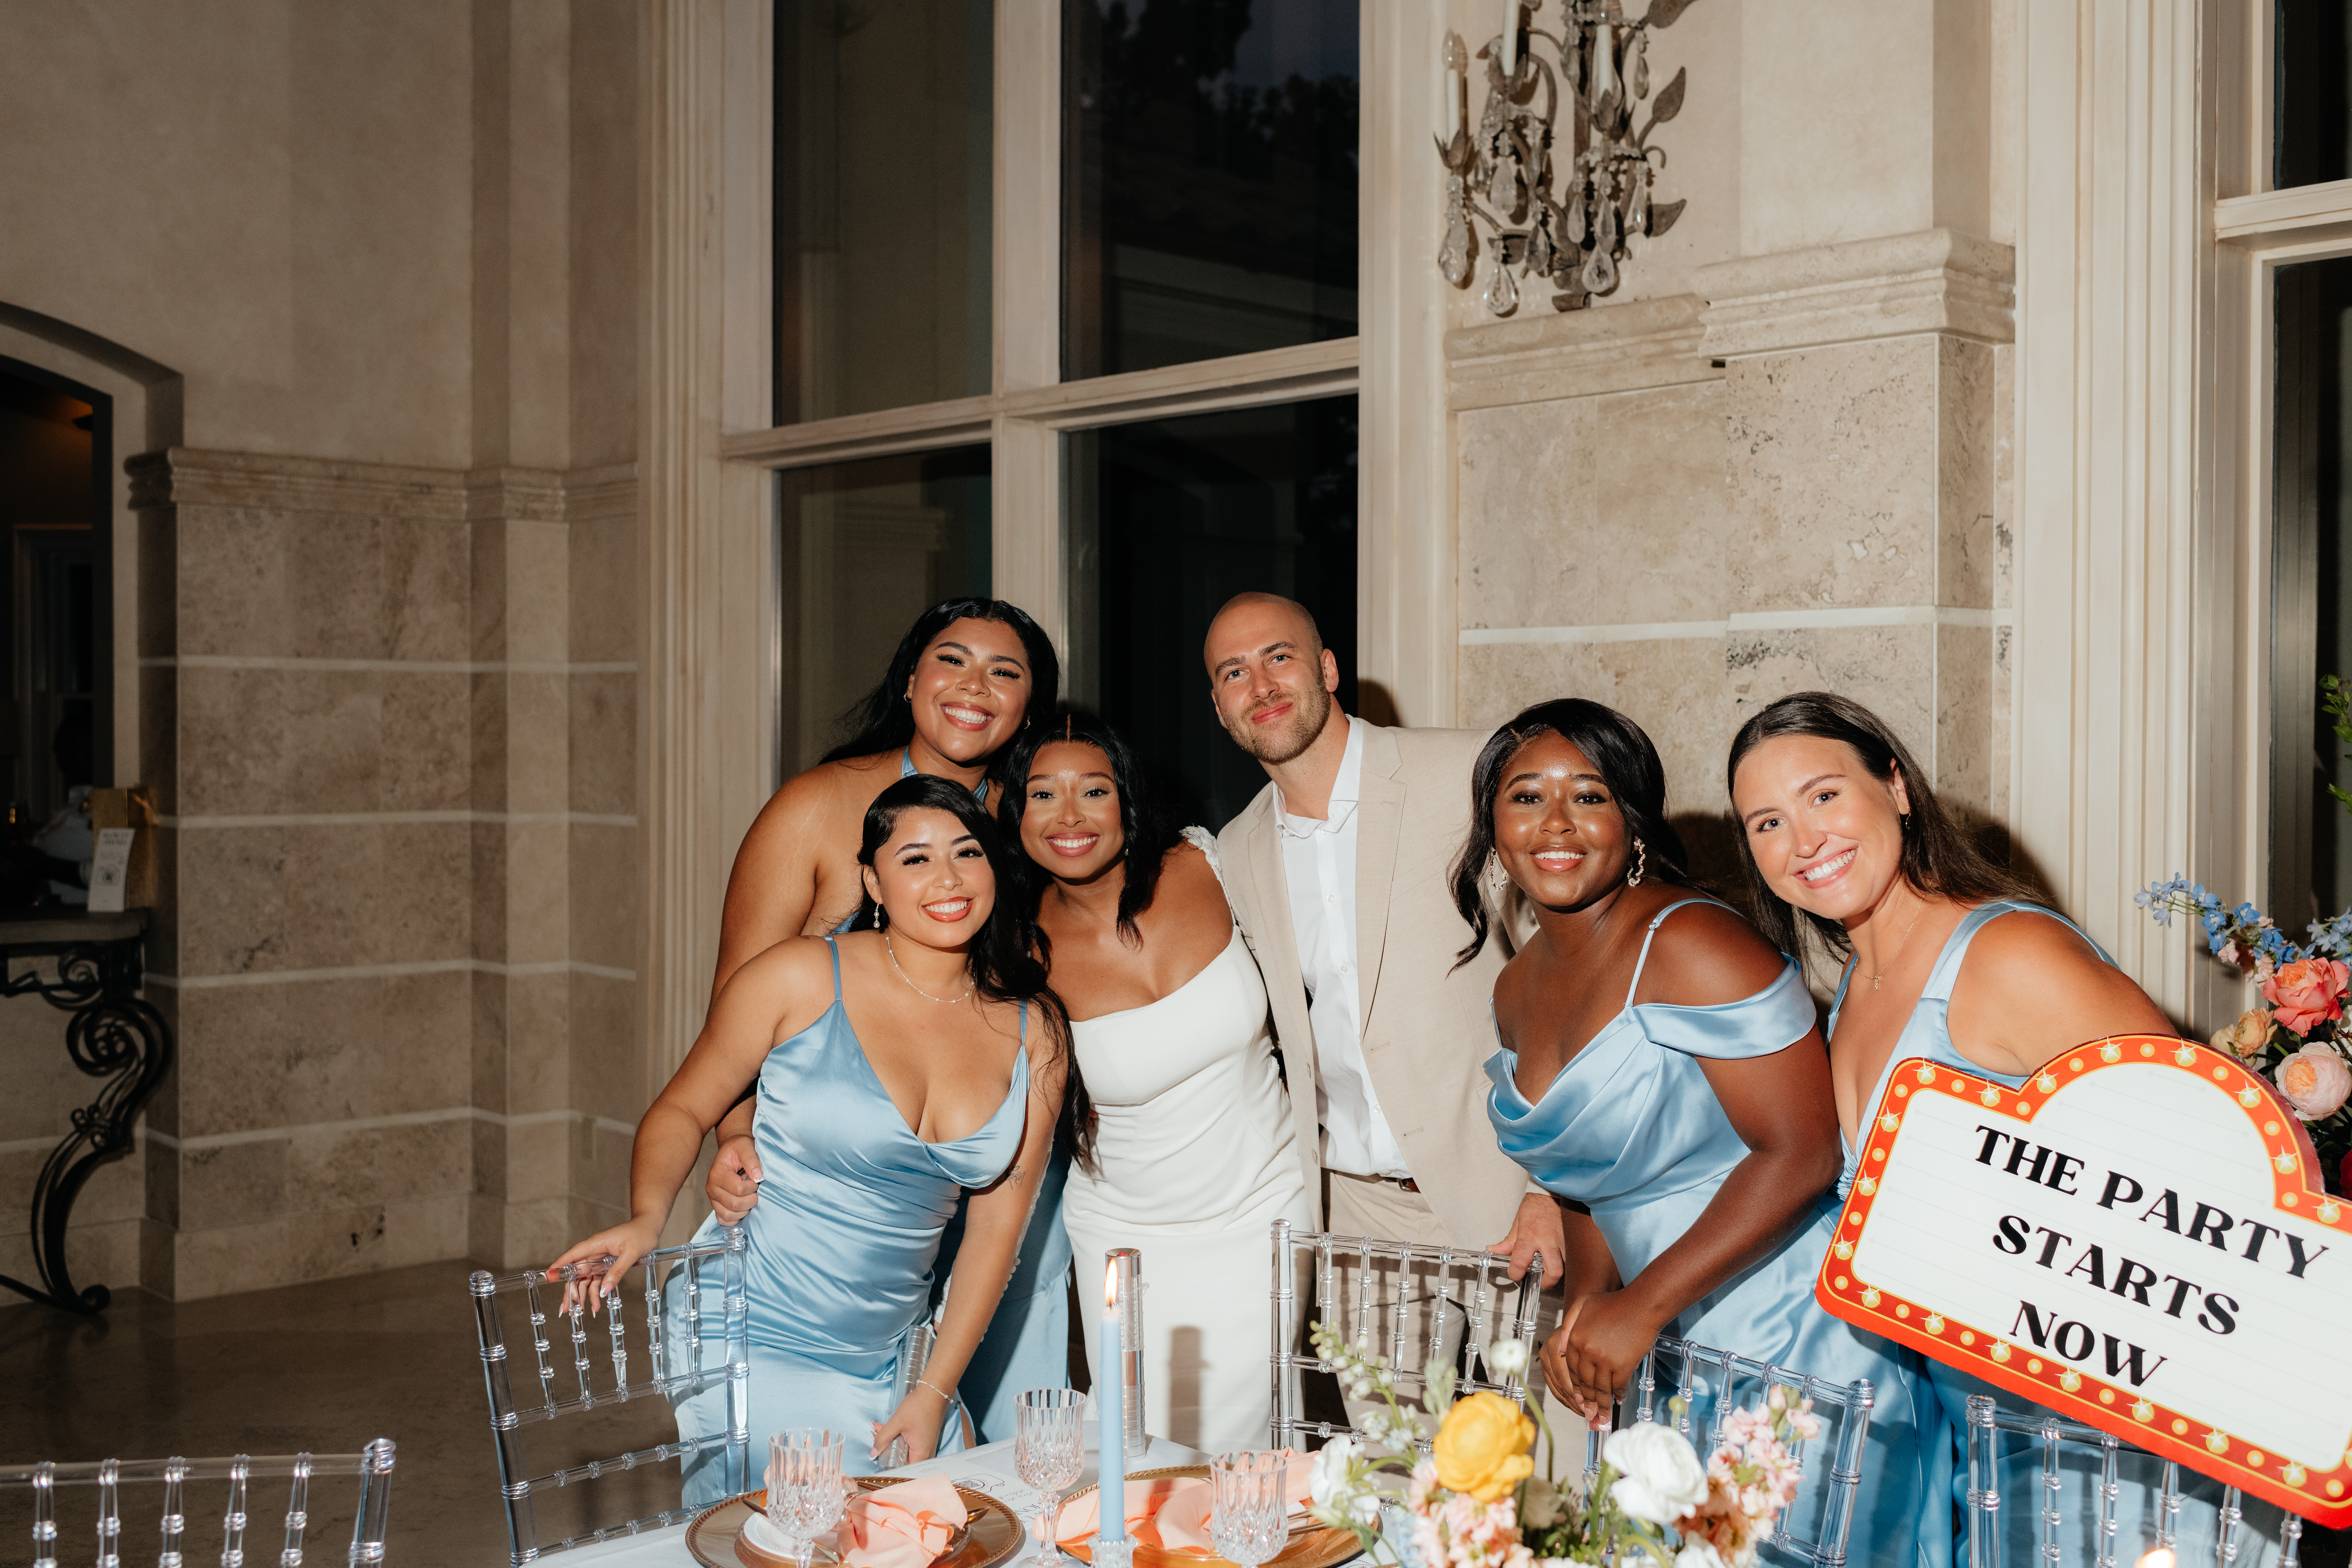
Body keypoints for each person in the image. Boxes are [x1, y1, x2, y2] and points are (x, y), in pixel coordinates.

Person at [1727, 691, 2219, 1567]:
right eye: (1767, 822)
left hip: (2105, 1444)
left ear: (1898, 789)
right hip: (1977, 1433)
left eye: (1824, 796)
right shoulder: (1849, 999)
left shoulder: (2008, 956)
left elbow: (2214, 1156)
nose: (1803, 842)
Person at [1465, 698, 1940, 1568]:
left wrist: (1639, 1306)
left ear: (1633, 821)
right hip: (1664, 1351)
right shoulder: (1516, 988)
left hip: (1794, 1339)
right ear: (1493, 828)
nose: (1557, 824)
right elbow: (1583, 1178)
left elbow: (1802, 1151)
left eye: (1592, 796)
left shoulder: (1690, 940)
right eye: (1527, 798)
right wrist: (1585, 1316)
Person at [550, 776, 1070, 1499]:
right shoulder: (798, 975)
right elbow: (680, 1109)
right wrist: (647, 1216)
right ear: (873, 881)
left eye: (967, 853)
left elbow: (996, 1234)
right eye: (915, 858)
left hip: (892, 1351)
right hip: (752, 1322)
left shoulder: (1034, 1029)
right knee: (811, 1523)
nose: (947, 878)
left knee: (935, 1523)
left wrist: (933, 1388)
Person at [702, 598, 1074, 1446]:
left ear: (1030, 708)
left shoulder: (1034, 826)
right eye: (952, 661)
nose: (975, 686)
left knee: (1000, 1398)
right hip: (834, 1177)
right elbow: (738, 999)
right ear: (911, 682)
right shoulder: (816, 807)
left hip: (975, 1156)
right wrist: (735, 1133)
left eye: (1005, 672)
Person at [1202, 592, 1565, 1406]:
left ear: (1328, 669)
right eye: (1233, 672)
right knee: (1388, 1475)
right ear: (1220, 706)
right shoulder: (1239, 846)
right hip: (1356, 1213)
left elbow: (1575, 974)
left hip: (1506, 1185)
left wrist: (1555, 1191)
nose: (1259, 683)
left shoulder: (1472, 773)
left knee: (1550, 1478)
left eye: (1279, 657)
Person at [1003, 712, 1314, 1452]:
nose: (1069, 817)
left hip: (1266, 1209)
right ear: (1015, 815)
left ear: (1128, 801)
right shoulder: (1016, 951)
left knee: (1248, 1452)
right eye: (1042, 795)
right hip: (1128, 1239)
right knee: (1140, 1460)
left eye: (1094, 791)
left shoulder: (1212, 864)